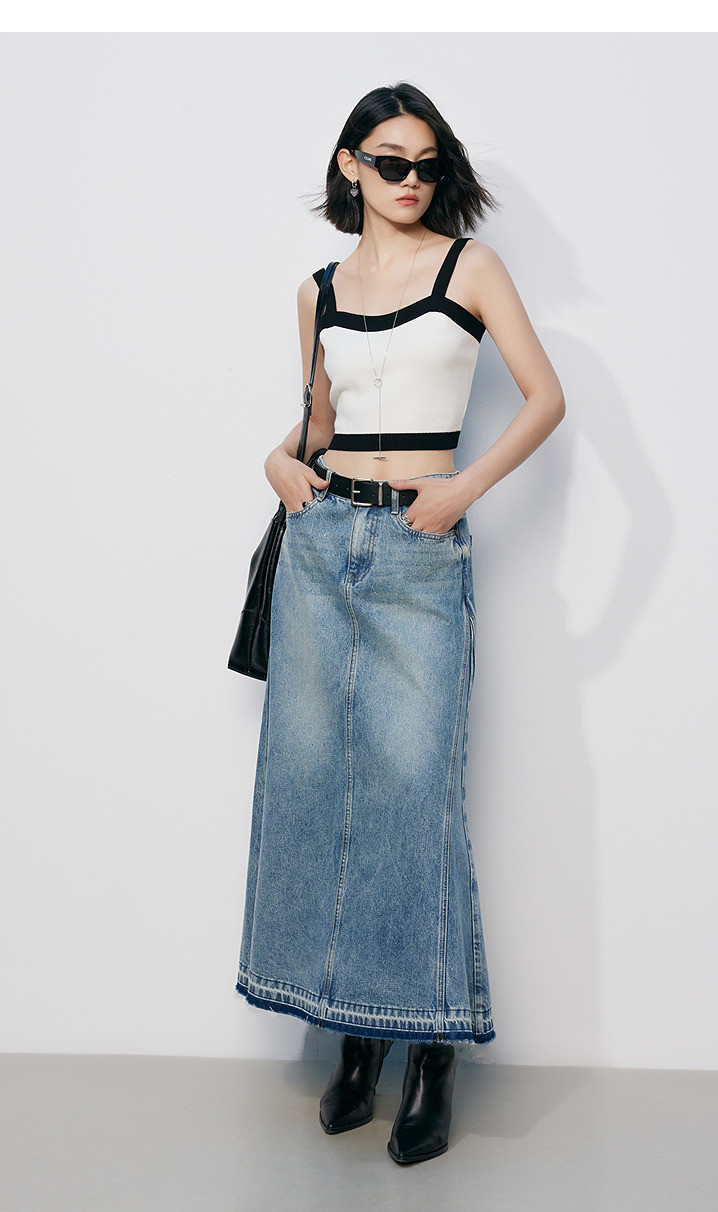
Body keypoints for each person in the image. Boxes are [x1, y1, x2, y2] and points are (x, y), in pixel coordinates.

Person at [236, 81, 565, 1165]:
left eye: (427, 164)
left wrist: (462, 490)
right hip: (323, 544)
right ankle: (356, 1037)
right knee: (315, 787)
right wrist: (278, 458)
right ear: (350, 167)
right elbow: (321, 421)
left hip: (420, 551)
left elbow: (545, 397)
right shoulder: (318, 290)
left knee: (415, 796)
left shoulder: (470, 268)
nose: (411, 181)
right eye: (390, 162)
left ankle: (431, 1046)